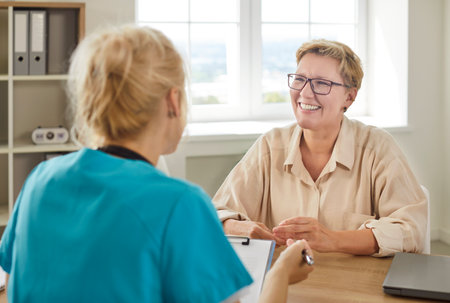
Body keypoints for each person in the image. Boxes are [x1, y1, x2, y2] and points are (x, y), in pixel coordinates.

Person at [0, 25, 313, 302]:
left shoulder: (40, 180)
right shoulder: (179, 204)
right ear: (173, 102)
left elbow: (15, 287)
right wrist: (281, 274)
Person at [213, 39, 427, 257]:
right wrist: (241, 228)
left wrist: (331, 239)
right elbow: (215, 215)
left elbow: (412, 230)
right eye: (299, 80)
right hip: (285, 284)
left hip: (353, 286)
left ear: (349, 97)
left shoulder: (378, 149)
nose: (305, 93)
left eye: (322, 84)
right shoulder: (270, 146)